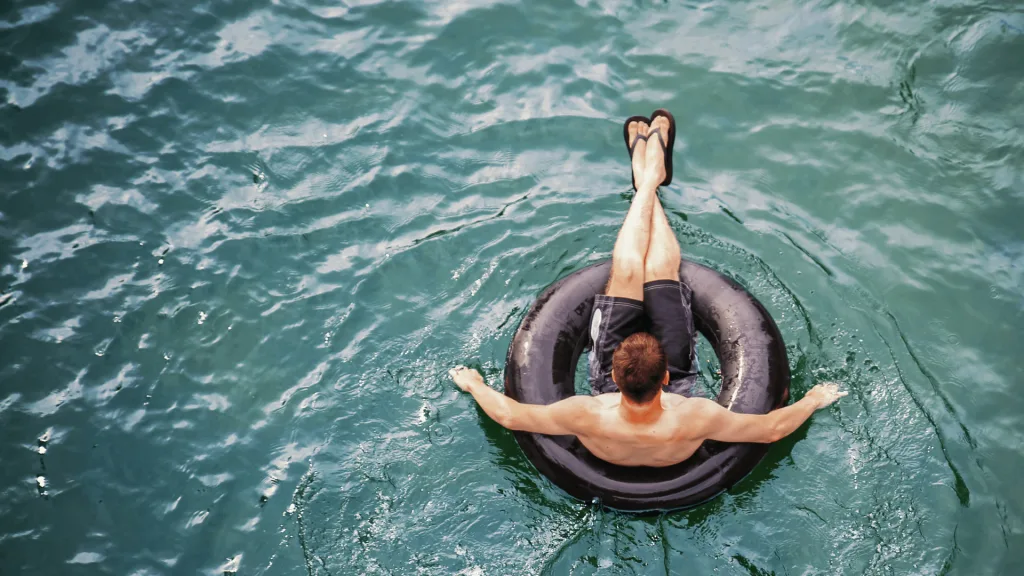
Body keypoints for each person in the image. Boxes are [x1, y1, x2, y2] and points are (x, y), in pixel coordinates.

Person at [450, 112, 846, 467]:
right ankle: (649, 178)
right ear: (667, 380)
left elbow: (509, 415)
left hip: (612, 420)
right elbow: (773, 429)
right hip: (670, 422)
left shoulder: (587, 413)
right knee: (659, 269)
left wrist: (473, 384)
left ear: (613, 378)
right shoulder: (694, 418)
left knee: (625, 270)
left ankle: (647, 181)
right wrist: (813, 400)